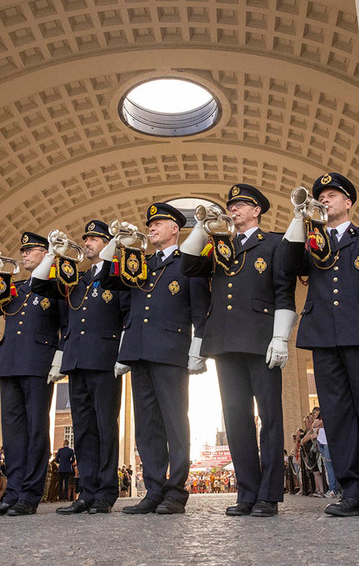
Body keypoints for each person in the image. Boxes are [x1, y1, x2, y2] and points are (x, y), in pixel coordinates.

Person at [280, 172, 359, 518]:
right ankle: (352, 489)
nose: (326, 200)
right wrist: (299, 218)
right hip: (322, 335)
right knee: (338, 417)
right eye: (322, 196)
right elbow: (287, 266)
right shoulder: (310, 242)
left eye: (332, 195)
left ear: (348, 202)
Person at [180, 184, 296, 518]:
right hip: (226, 340)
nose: (233, 209)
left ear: (257, 210)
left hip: (261, 339)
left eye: (240, 204)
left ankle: (269, 495)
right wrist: (203, 226)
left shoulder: (273, 243)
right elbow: (188, 265)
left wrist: (280, 337)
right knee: (236, 418)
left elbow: (283, 292)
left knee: (270, 418)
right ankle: (247, 492)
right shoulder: (218, 246)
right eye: (231, 205)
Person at [98, 202, 210, 515]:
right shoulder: (138, 264)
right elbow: (108, 279)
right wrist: (117, 243)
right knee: (147, 426)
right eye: (150, 224)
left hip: (171, 351)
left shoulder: (188, 261)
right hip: (138, 350)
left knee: (175, 423)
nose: (152, 228)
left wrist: (197, 349)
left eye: (158, 223)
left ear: (176, 228)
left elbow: (200, 308)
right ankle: (153, 490)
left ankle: (175, 491)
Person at [31, 219, 128, 515]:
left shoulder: (118, 275)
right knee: (83, 428)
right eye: (85, 239)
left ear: (107, 244)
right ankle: (87, 490)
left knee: (105, 426)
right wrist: (53, 254)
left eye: (95, 240)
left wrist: (123, 354)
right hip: (76, 360)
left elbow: (127, 314)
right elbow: (38, 284)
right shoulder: (76, 278)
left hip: (103, 359)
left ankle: (106, 492)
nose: (87, 243)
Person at [0, 232, 66, 517]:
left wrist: (58, 358)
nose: (24, 255)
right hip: (10, 362)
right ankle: (11, 494)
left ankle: (29, 495)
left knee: (36, 429)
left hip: (38, 362)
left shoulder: (56, 284)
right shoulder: (13, 287)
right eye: (23, 251)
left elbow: (66, 322)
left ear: (45, 253)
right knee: (13, 432)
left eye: (31, 251)